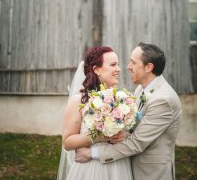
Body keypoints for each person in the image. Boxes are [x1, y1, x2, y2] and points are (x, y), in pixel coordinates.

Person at [75, 42, 182, 180]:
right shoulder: (140, 89)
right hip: (127, 166)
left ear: (149, 67)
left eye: (133, 62)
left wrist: (91, 153)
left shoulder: (164, 100)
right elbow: (135, 126)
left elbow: (137, 143)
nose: (128, 67)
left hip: (150, 174)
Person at [57, 46, 133, 180]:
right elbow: (67, 142)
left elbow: (130, 131)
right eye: (113, 65)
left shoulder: (122, 99)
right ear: (97, 69)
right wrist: (98, 137)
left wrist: (124, 134)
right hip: (91, 169)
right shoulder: (78, 101)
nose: (119, 69)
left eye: (118, 64)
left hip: (118, 166)